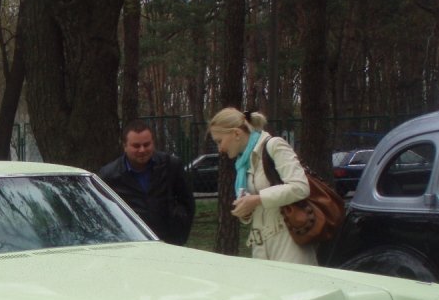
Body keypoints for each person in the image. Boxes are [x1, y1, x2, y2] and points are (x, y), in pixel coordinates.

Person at [208, 108, 317, 265]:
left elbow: (300, 187)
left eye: (219, 141)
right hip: (260, 246)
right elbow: (257, 207)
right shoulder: (243, 163)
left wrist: (257, 200)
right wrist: (246, 211)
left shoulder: (274, 145)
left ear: (237, 134)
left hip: (288, 243)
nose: (220, 149)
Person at [98, 120, 195, 245]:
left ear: (153, 143)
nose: (142, 150)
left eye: (147, 144)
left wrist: (179, 231)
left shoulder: (171, 166)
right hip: (129, 242)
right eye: (136, 146)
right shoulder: (109, 175)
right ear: (125, 146)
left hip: (169, 241)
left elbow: (187, 203)